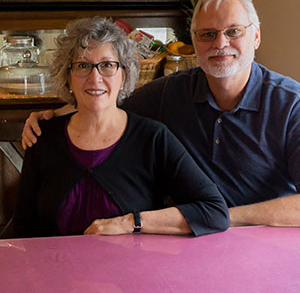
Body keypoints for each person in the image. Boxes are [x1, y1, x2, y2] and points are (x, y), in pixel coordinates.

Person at [22, 0, 300, 228]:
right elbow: (106, 97)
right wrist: (48, 117)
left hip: (261, 241)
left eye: (233, 31)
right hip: (186, 243)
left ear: (256, 37)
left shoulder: (290, 104)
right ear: (194, 43)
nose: (220, 44)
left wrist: (222, 218)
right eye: (207, 34)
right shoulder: (172, 91)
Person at [13, 17, 229, 238]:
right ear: (67, 77)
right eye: (83, 66)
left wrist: (132, 222)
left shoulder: (152, 138)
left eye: (107, 65)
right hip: (56, 268)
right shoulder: (42, 136)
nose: (95, 78)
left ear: (123, 75)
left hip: (132, 269)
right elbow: (22, 228)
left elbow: (214, 211)